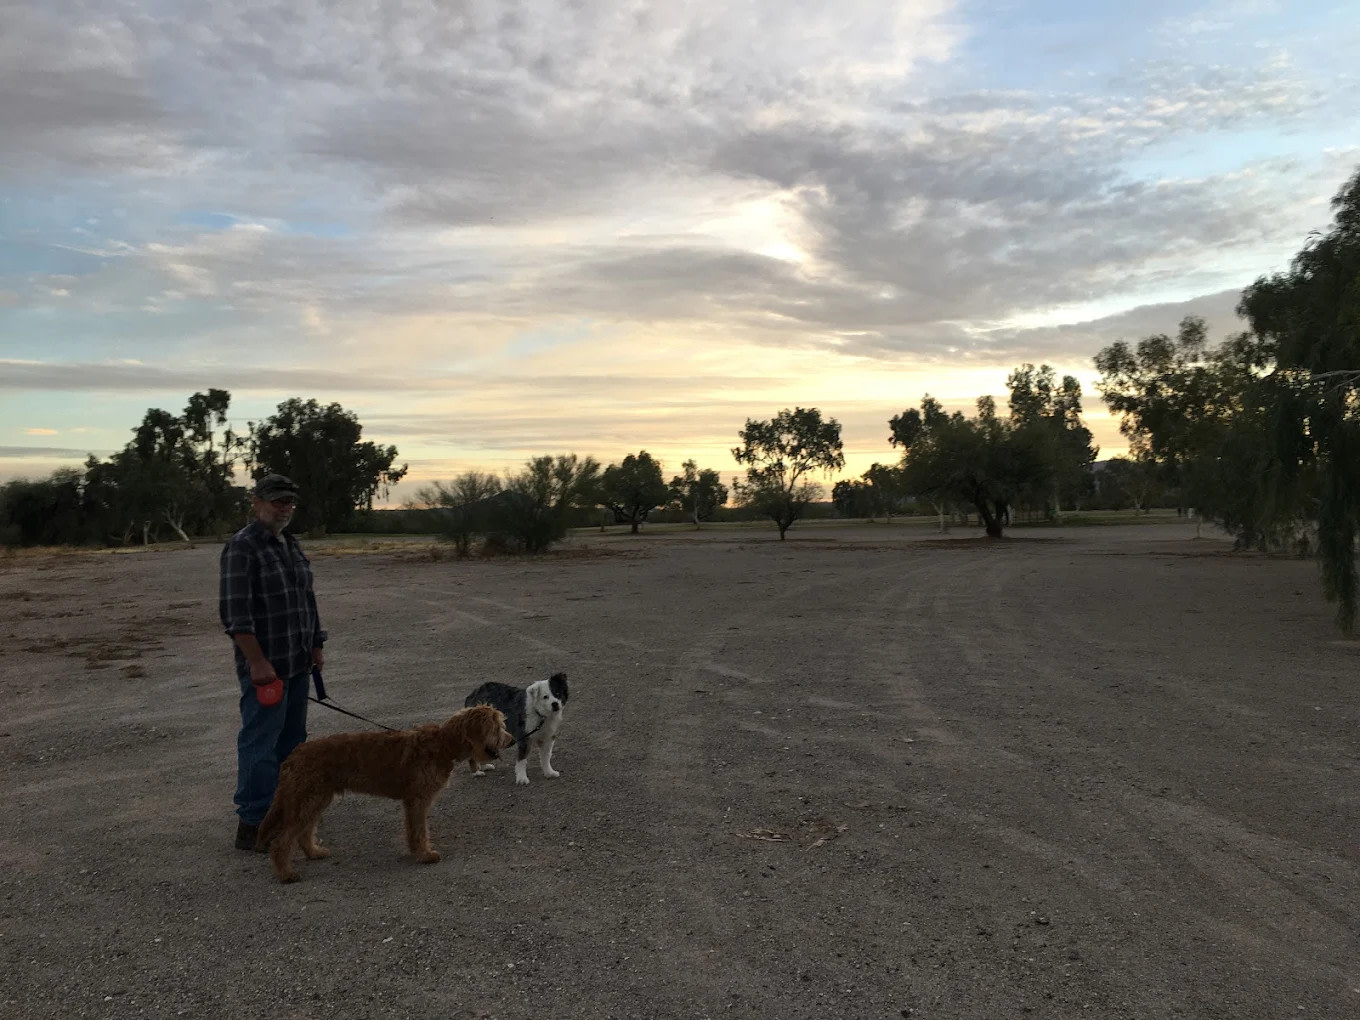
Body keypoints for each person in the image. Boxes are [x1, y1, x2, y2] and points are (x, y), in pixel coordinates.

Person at [219, 473, 327, 851]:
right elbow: (236, 616)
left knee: (293, 743)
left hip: (298, 663)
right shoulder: (243, 548)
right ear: (257, 502)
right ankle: (254, 824)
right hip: (267, 669)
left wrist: (316, 644)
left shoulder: (290, 544)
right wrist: (257, 663)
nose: (284, 507)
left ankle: (286, 812)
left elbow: (306, 601)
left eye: (289, 502)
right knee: (260, 743)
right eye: (277, 500)